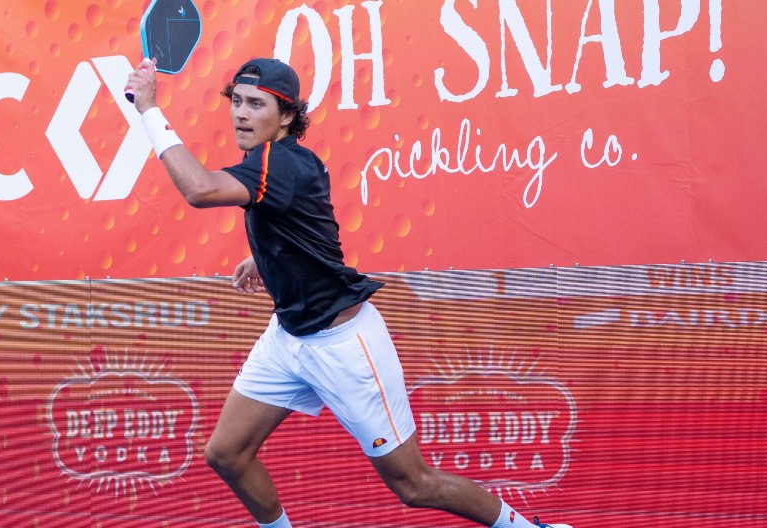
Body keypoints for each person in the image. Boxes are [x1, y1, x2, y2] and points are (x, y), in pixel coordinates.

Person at [125, 57, 570, 528]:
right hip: (288, 337)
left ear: (289, 115)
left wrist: (150, 109)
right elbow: (313, 230)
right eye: (237, 101)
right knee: (227, 454)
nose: (241, 113)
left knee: (413, 484)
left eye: (256, 104)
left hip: (344, 346)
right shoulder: (279, 164)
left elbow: (199, 190)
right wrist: (268, 257)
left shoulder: (282, 163)